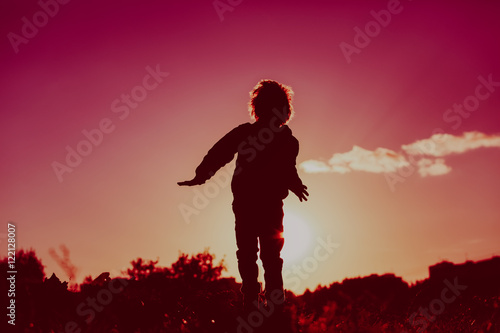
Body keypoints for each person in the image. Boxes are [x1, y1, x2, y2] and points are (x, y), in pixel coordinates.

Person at [178, 79, 308, 313]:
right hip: (248, 203)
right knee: (253, 253)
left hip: (266, 204)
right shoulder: (248, 134)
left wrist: (295, 184)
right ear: (262, 109)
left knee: (264, 255)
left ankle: (271, 304)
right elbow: (220, 153)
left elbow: (288, 168)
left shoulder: (288, 141)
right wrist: (202, 175)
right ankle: (254, 301)